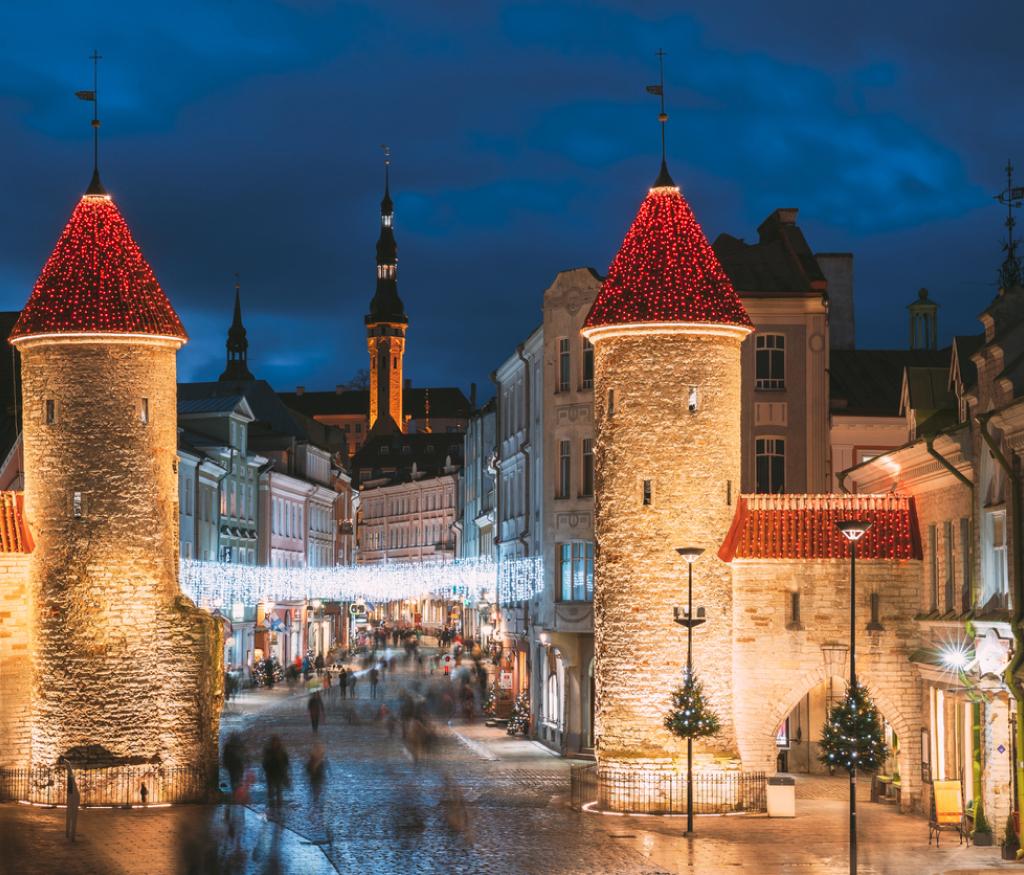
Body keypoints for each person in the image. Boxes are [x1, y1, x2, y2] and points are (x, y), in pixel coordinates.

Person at [262, 736, 290, 809]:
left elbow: (286, 762)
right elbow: (264, 762)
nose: (275, 744)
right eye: (273, 742)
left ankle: (279, 808)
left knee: (279, 792)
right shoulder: (268, 751)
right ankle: (272, 807)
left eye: (276, 742)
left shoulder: (282, 752)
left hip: (279, 774)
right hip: (270, 774)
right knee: (271, 792)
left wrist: (285, 772)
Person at [222, 732, 246, 799]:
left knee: (234, 779)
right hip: (236, 765)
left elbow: (225, 756)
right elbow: (244, 754)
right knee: (237, 779)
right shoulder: (239, 745)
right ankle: (237, 793)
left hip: (233, 765)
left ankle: (236, 793)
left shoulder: (229, 746)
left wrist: (225, 763)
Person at [64, 765, 80, 841]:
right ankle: (70, 834)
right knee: (72, 814)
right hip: (72, 798)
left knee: (71, 814)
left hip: (71, 797)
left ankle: (69, 833)